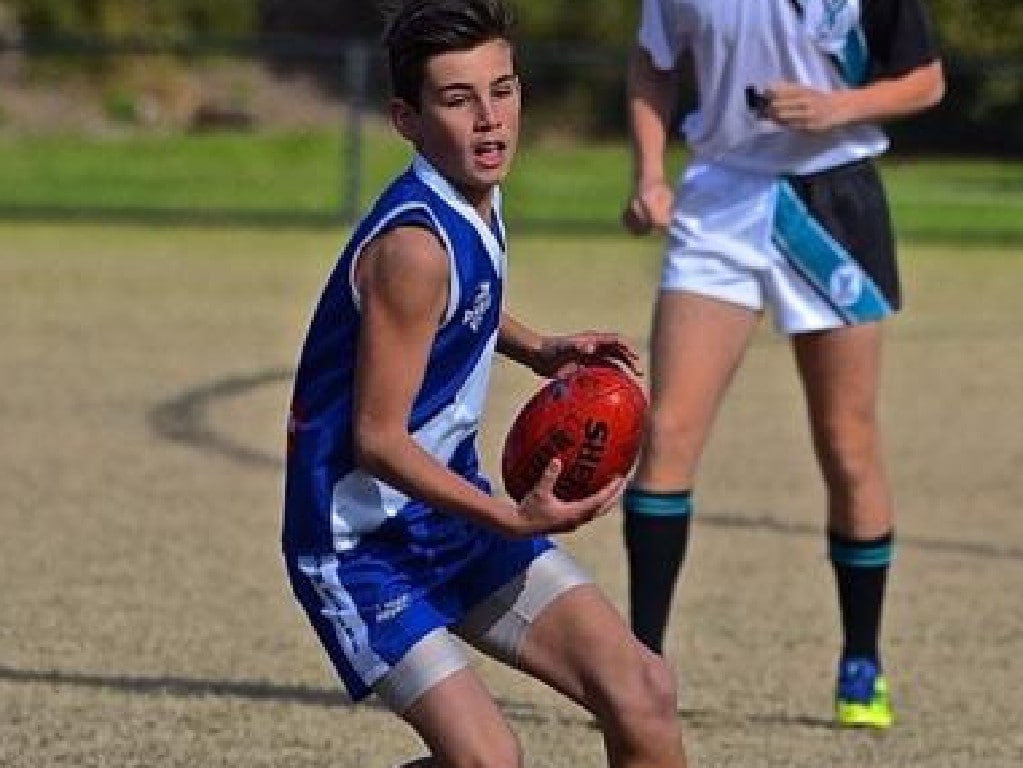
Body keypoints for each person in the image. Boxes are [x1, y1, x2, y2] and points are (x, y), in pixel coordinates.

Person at [281, 1, 688, 766]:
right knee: (488, 762)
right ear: (406, 117)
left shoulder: (471, 194)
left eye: (501, 90)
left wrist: (539, 349)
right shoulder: (412, 249)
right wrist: (506, 518)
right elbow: (375, 440)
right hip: (361, 545)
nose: (490, 121)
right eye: (458, 100)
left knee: (642, 692)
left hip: (446, 514)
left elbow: (463, 305)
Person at [620, 0, 944, 730]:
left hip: (834, 201)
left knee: (846, 443)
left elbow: (925, 81)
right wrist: (647, 173)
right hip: (716, 203)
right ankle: (641, 664)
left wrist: (839, 106)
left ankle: (861, 662)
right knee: (667, 434)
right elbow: (650, 62)